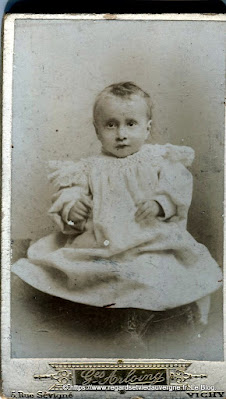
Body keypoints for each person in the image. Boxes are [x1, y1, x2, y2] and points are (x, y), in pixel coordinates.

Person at [12, 82, 222, 325]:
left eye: (131, 124)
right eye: (111, 125)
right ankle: (109, 317)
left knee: (152, 274)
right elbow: (69, 194)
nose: (121, 134)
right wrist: (73, 208)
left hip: (149, 243)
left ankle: (146, 316)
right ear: (97, 130)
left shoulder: (159, 160)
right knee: (81, 273)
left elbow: (178, 186)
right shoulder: (87, 168)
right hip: (98, 246)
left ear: (147, 128)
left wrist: (161, 203)